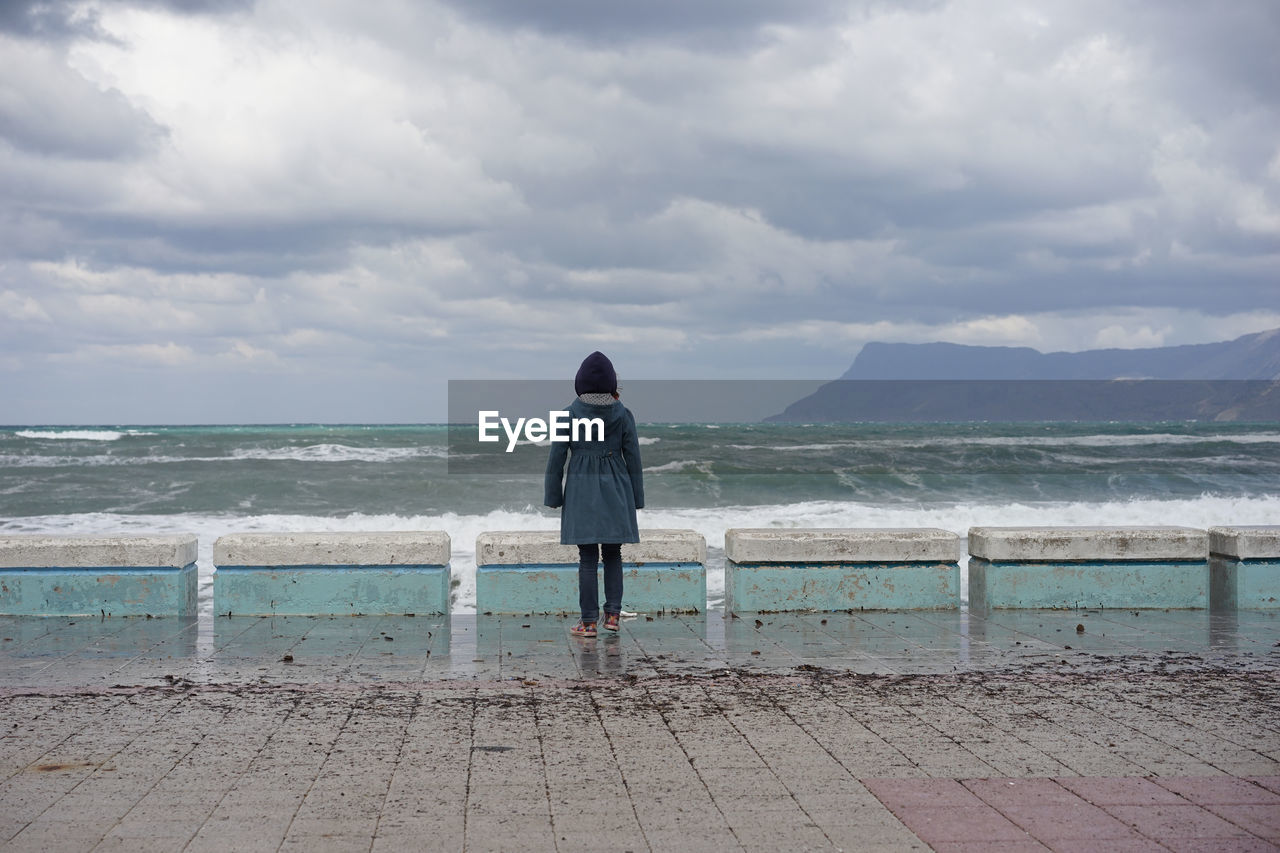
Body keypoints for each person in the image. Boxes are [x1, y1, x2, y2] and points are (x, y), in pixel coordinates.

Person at [544, 351, 644, 638]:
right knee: (613, 553)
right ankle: (612, 616)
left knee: (587, 557)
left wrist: (553, 496)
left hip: (581, 488)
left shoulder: (569, 414)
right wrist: (637, 498)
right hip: (617, 486)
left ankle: (588, 622)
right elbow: (633, 458)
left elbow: (556, 459)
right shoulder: (624, 415)